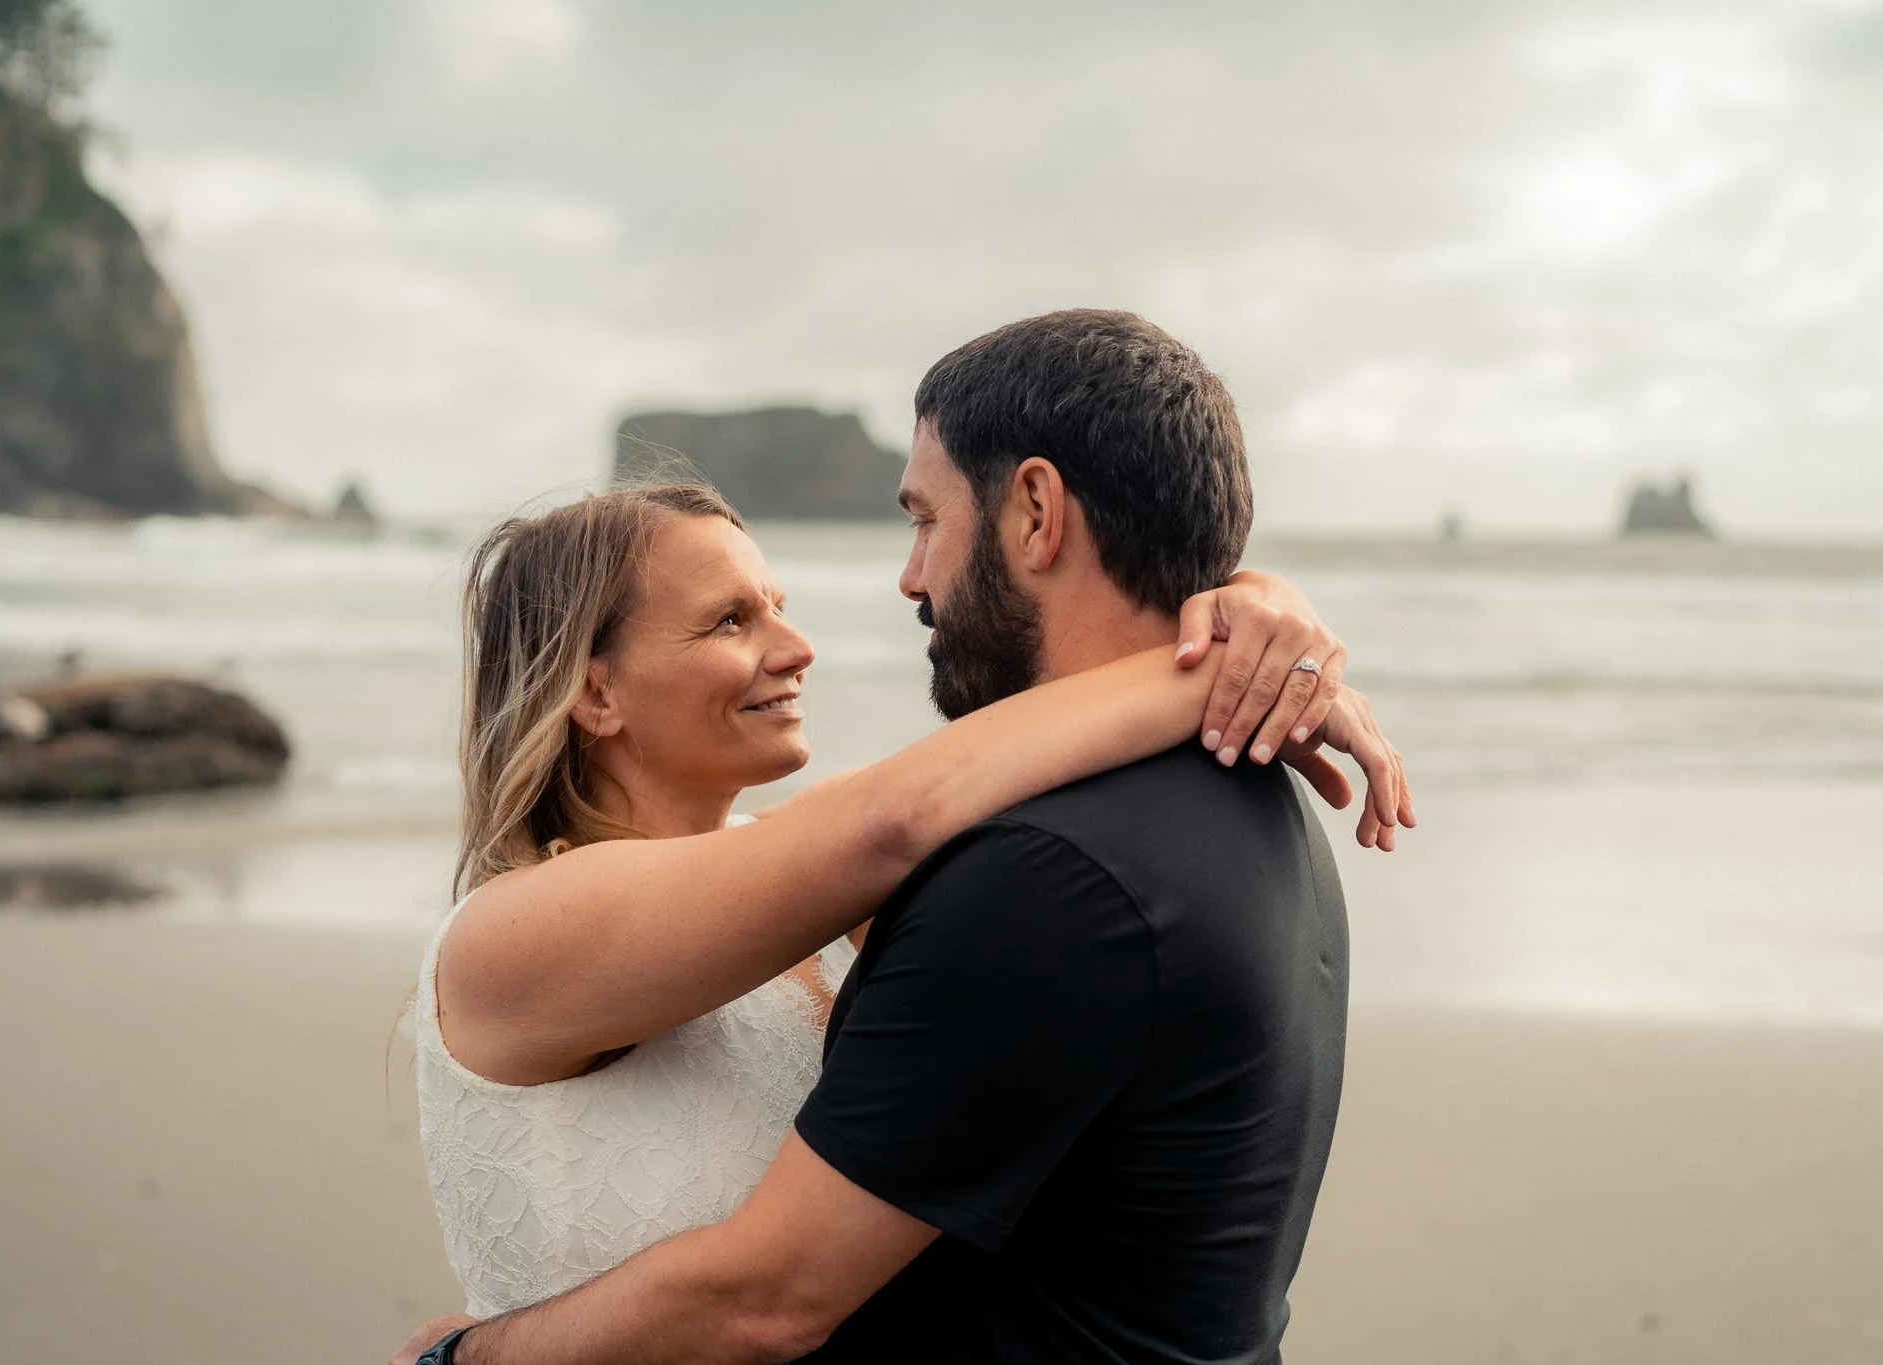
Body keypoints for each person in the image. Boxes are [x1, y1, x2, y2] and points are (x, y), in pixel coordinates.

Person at [398, 309, 1413, 1364]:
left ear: (1034, 511)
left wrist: (1253, 613)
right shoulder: (515, 936)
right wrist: (1219, 648)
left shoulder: (891, 875)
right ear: (592, 691)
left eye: (923, 520)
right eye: (729, 621)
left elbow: (921, 804)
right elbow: (902, 810)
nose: (801, 645)